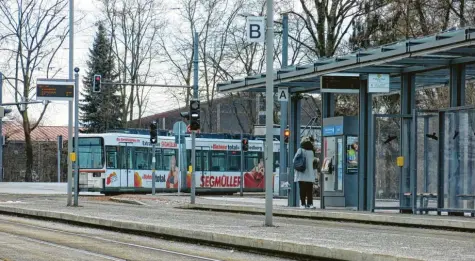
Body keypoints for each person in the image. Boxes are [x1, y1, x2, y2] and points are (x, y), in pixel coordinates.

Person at [293, 136, 316, 209]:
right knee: (309, 190)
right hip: (310, 173)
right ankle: (310, 204)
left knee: (302, 190)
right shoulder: (312, 151)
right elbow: (313, 162)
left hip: (302, 173)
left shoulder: (300, 150)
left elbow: (294, 160)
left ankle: (303, 204)